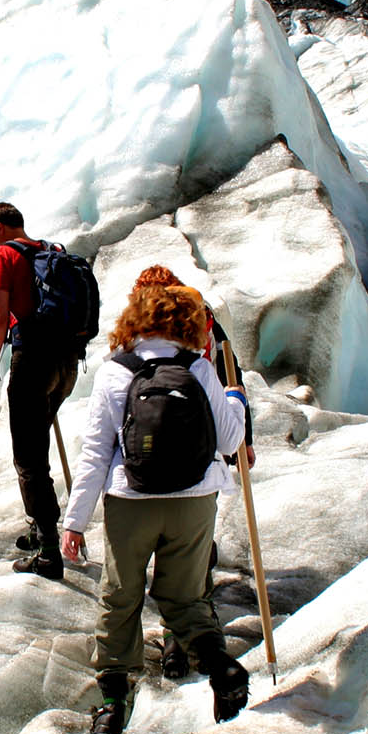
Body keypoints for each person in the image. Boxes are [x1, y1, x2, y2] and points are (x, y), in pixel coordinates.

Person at [59, 280, 250, 734]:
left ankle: (112, 702)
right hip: (194, 500)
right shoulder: (200, 368)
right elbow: (230, 441)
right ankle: (220, 666)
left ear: (136, 320)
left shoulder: (115, 371)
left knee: (121, 596)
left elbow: (96, 454)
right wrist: (236, 401)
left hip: (132, 500)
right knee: (184, 597)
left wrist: (75, 522)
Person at [130, 265, 255, 680]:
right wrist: (242, 438)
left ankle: (176, 639)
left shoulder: (151, 328)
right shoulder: (205, 322)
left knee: (171, 548)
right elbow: (231, 378)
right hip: (202, 449)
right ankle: (185, 631)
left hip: (151, 456)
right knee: (192, 545)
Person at [0, 202, 78, 579]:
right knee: (38, 449)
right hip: (66, 364)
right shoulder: (50, 251)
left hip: (33, 360)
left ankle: (49, 552)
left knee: (28, 458)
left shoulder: (4, 255)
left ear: (0, 228)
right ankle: (41, 528)